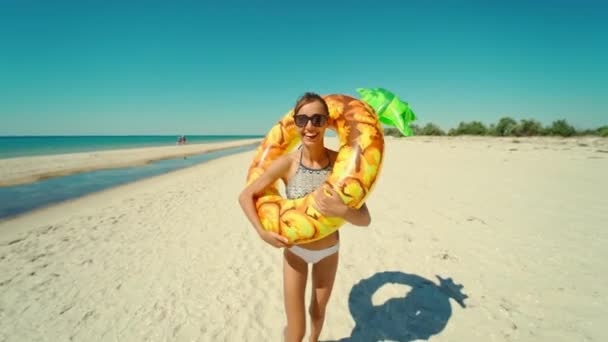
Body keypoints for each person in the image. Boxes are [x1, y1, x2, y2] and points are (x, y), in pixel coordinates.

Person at [239, 92, 371, 342]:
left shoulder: (341, 163)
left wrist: (342, 210)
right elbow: (246, 196)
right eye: (302, 120)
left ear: (327, 123)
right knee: (295, 329)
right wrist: (262, 233)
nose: (309, 127)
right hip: (295, 253)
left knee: (318, 314)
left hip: (329, 251)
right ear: (295, 123)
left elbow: (365, 219)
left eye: (317, 119)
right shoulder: (286, 164)